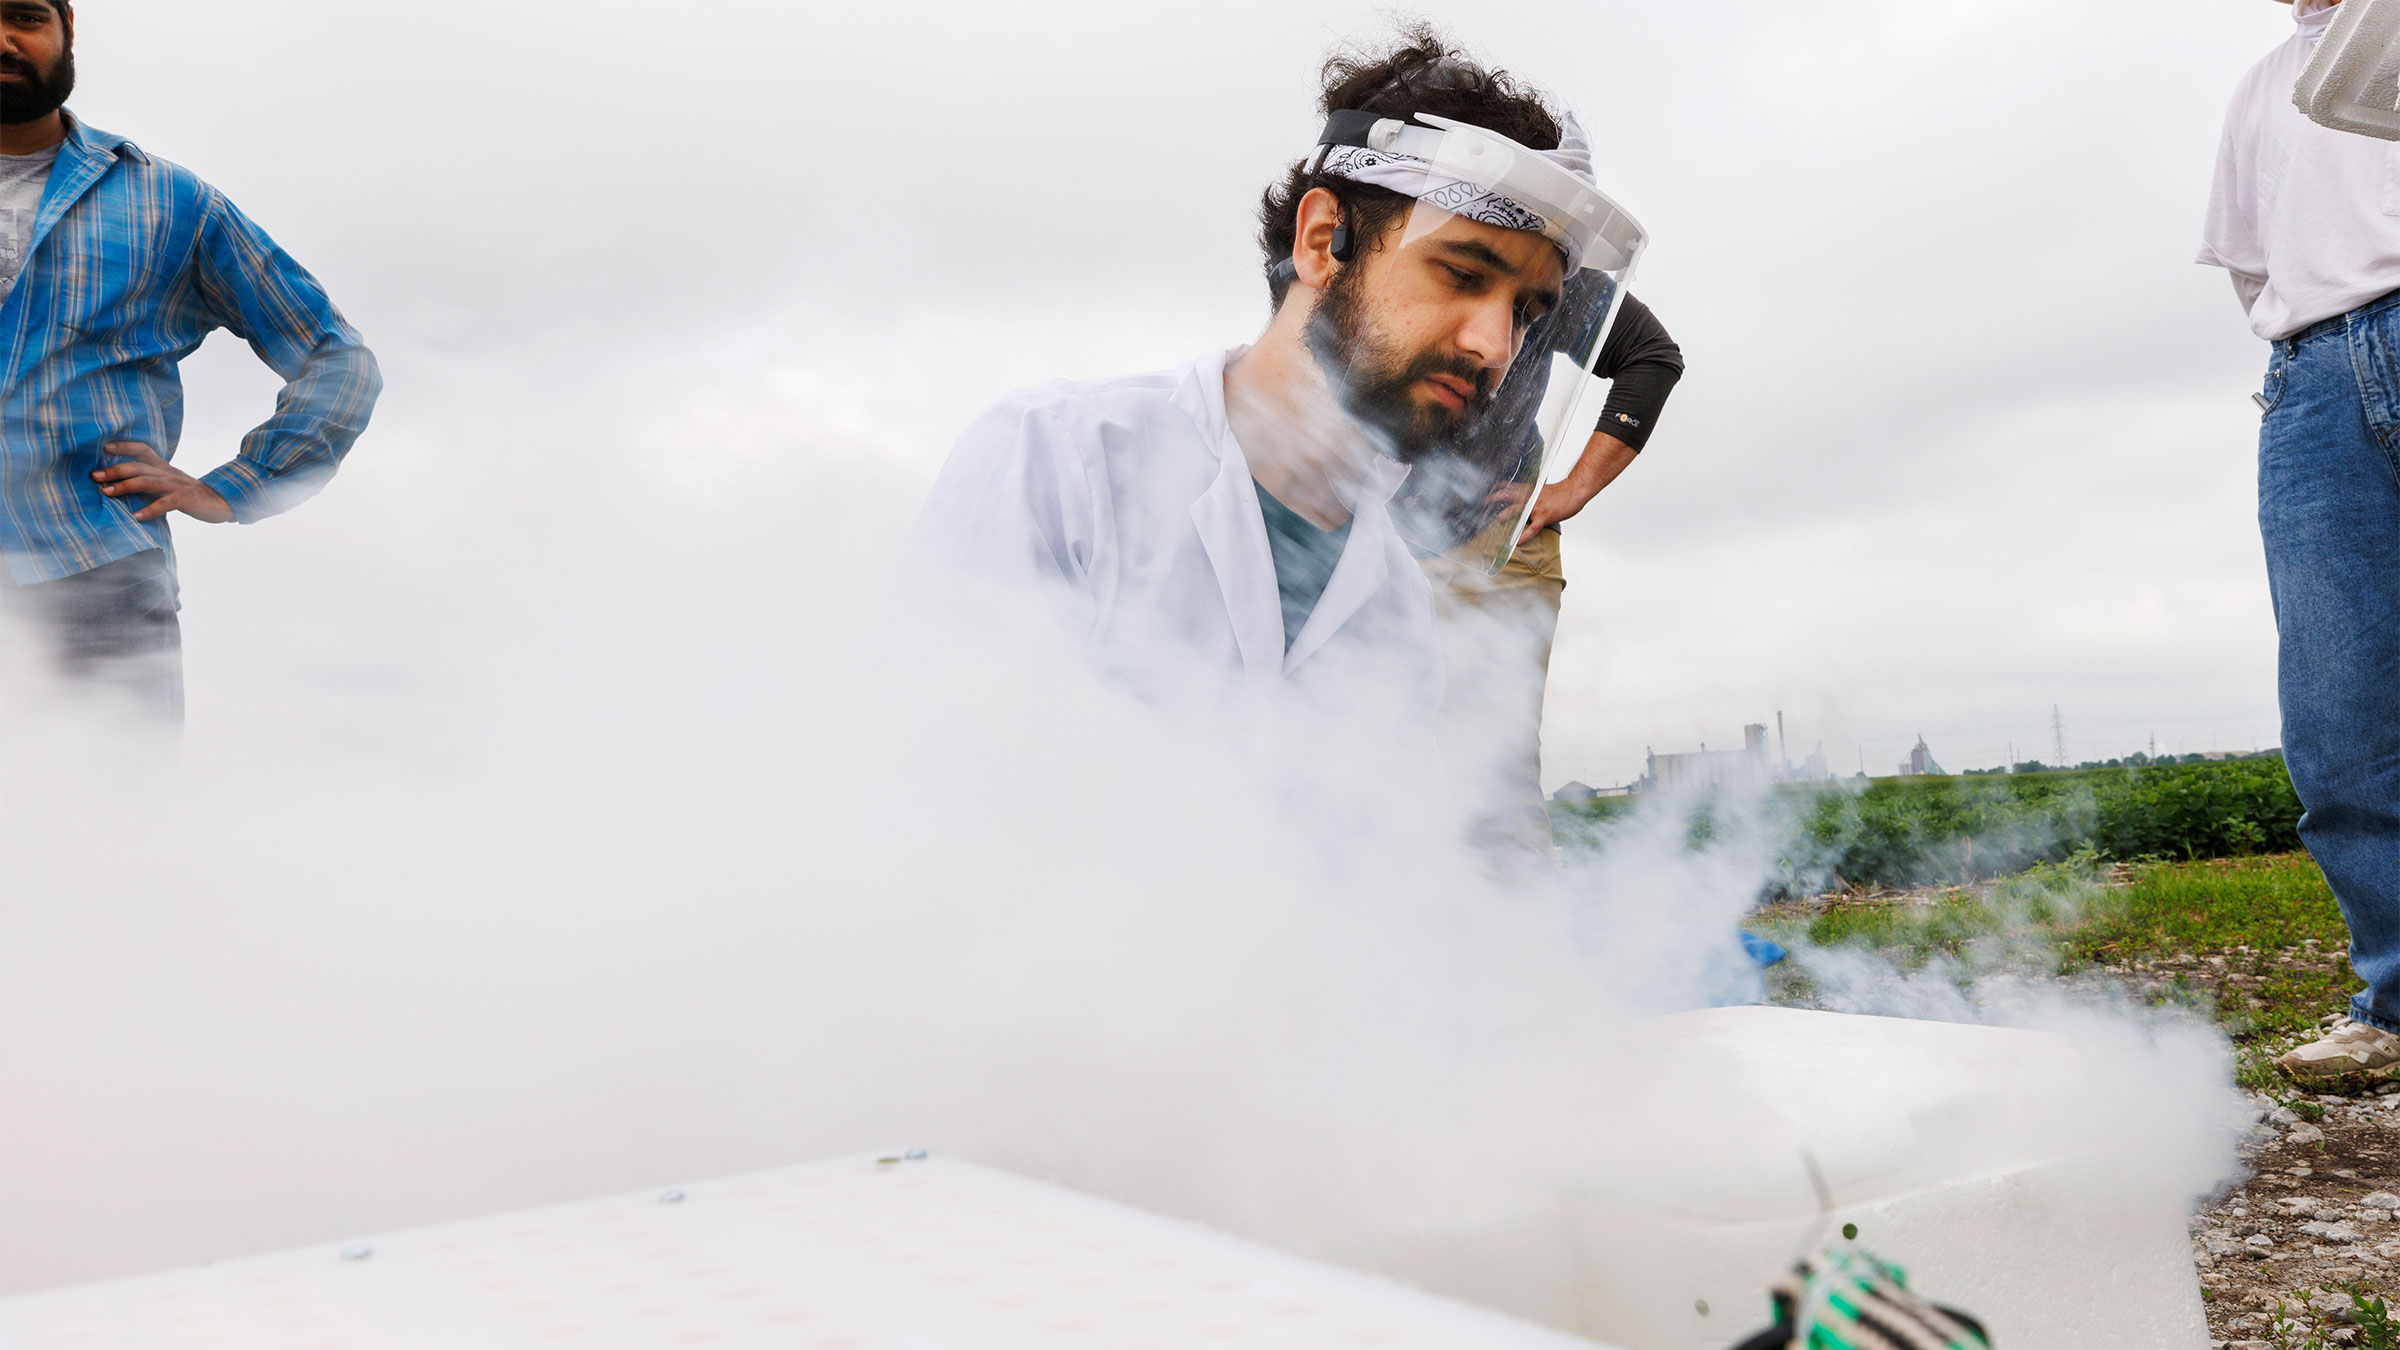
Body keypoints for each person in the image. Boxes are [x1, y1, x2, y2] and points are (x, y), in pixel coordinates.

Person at [916, 29, 1639, 727]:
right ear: (1323, 242)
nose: (1495, 346)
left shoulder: (1402, 615)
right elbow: (932, 777)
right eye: (1461, 274)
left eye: (1526, 313)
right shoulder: (1060, 463)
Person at [0, 0, 381, 722]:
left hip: (94, 590)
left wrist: (239, 485)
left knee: (105, 798)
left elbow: (336, 357)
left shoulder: (166, 202)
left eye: (24, 16)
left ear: (67, 27)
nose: (4, 39)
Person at [2199, 0, 2400, 1084]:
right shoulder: (2260, 85)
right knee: (2340, 716)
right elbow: (2251, 262)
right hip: (2314, 378)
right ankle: (2397, 1004)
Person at [1414, 285, 1682, 860]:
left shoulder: (1545, 270)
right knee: (1351, 746)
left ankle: (1508, 914)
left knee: (1492, 771)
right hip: (1363, 527)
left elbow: (1649, 356)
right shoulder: (1373, 244)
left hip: (1491, 544)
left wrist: (1573, 488)